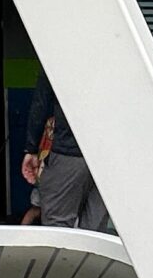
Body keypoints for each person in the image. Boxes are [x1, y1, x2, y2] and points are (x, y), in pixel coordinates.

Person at [21, 74, 109, 231]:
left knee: (58, 229)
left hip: (69, 150)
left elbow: (42, 99)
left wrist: (32, 148)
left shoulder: (60, 58)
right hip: (109, 154)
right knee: (95, 232)